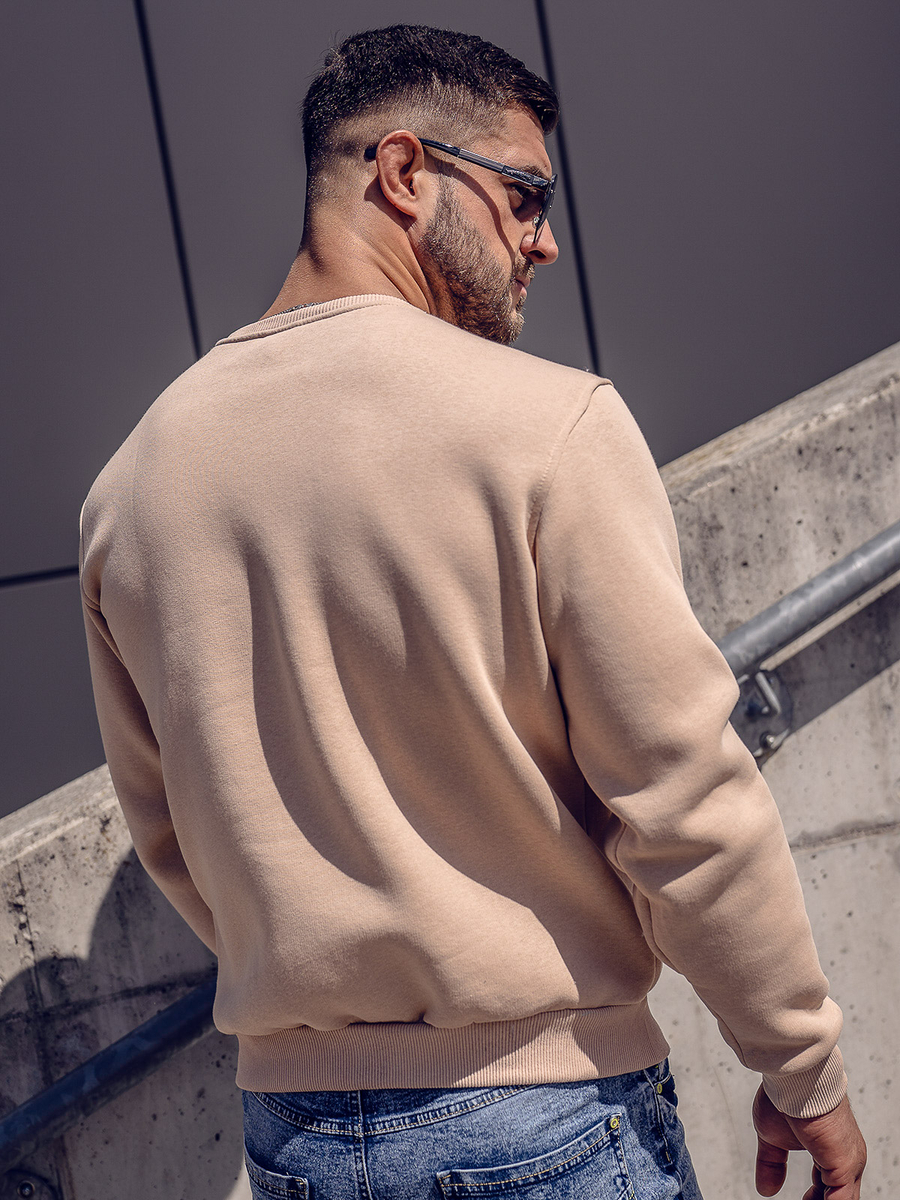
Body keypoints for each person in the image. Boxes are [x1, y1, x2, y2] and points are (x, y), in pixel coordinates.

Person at [79, 23, 865, 1200]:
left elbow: (172, 841)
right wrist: (801, 1066)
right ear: (404, 172)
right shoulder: (548, 429)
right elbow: (685, 801)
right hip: (543, 1117)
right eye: (525, 196)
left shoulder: (133, 489)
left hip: (293, 1135)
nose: (544, 240)